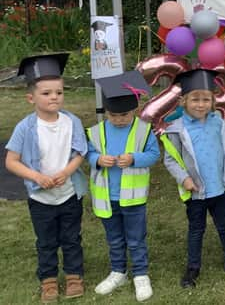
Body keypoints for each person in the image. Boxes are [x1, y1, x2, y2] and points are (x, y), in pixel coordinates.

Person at [5, 54, 88, 303]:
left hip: (69, 193)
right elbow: (11, 161)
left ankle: (74, 276)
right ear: (31, 98)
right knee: (46, 241)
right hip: (40, 197)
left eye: (59, 92)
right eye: (47, 93)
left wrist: (66, 172)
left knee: (72, 238)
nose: (54, 97)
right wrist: (37, 177)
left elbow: (80, 153)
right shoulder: (25, 127)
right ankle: (49, 280)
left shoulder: (72, 122)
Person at [160, 69, 225, 288]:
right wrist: (184, 179)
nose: (201, 104)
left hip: (219, 188)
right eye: (195, 99)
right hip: (196, 190)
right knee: (197, 230)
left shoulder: (220, 123)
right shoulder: (176, 130)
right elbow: (170, 160)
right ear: (183, 101)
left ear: (213, 100)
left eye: (206, 99)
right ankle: (193, 267)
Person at [87, 71, 160, 302]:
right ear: (106, 111)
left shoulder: (144, 130)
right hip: (107, 197)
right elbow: (87, 154)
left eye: (124, 115)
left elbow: (154, 155)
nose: (119, 119)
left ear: (135, 109)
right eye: (113, 115)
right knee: (114, 238)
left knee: (136, 238)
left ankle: (140, 274)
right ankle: (118, 272)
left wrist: (134, 159)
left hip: (134, 197)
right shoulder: (96, 131)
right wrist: (97, 159)